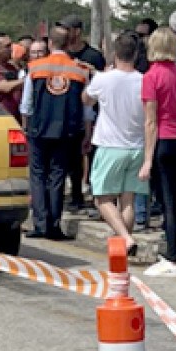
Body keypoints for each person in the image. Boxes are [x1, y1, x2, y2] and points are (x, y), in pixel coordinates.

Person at [20, 24, 91, 242]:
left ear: (50, 43)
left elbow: (26, 105)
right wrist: (86, 134)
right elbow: (87, 109)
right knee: (58, 177)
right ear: (69, 44)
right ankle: (54, 224)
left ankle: (40, 223)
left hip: (39, 129)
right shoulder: (80, 70)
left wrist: (26, 127)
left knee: (38, 176)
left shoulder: (34, 67)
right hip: (66, 132)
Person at [85, 32, 148, 252]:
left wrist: (100, 75)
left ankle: (125, 239)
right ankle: (123, 245)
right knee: (127, 200)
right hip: (137, 145)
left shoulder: (104, 79)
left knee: (102, 198)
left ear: (114, 53)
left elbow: (86, 98)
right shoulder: (143, 80)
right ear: (137, 54)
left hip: (110, 145)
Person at [139, 28, 176, 278]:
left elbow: (151, 121)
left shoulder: (151, 76)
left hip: (164, 139)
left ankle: (172, 255)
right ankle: (173, 250)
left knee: (168, 200)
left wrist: (147, 159)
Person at [61, 16, 105, 212]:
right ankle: (74, 195)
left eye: (67, 29)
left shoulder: (93, 56)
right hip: (66, 114)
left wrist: (92, 71)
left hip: (91, 114)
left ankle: (96, 198)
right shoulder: (62, 56)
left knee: (92, 158)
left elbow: (104, 83)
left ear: (76, 31)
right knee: (69, 160)